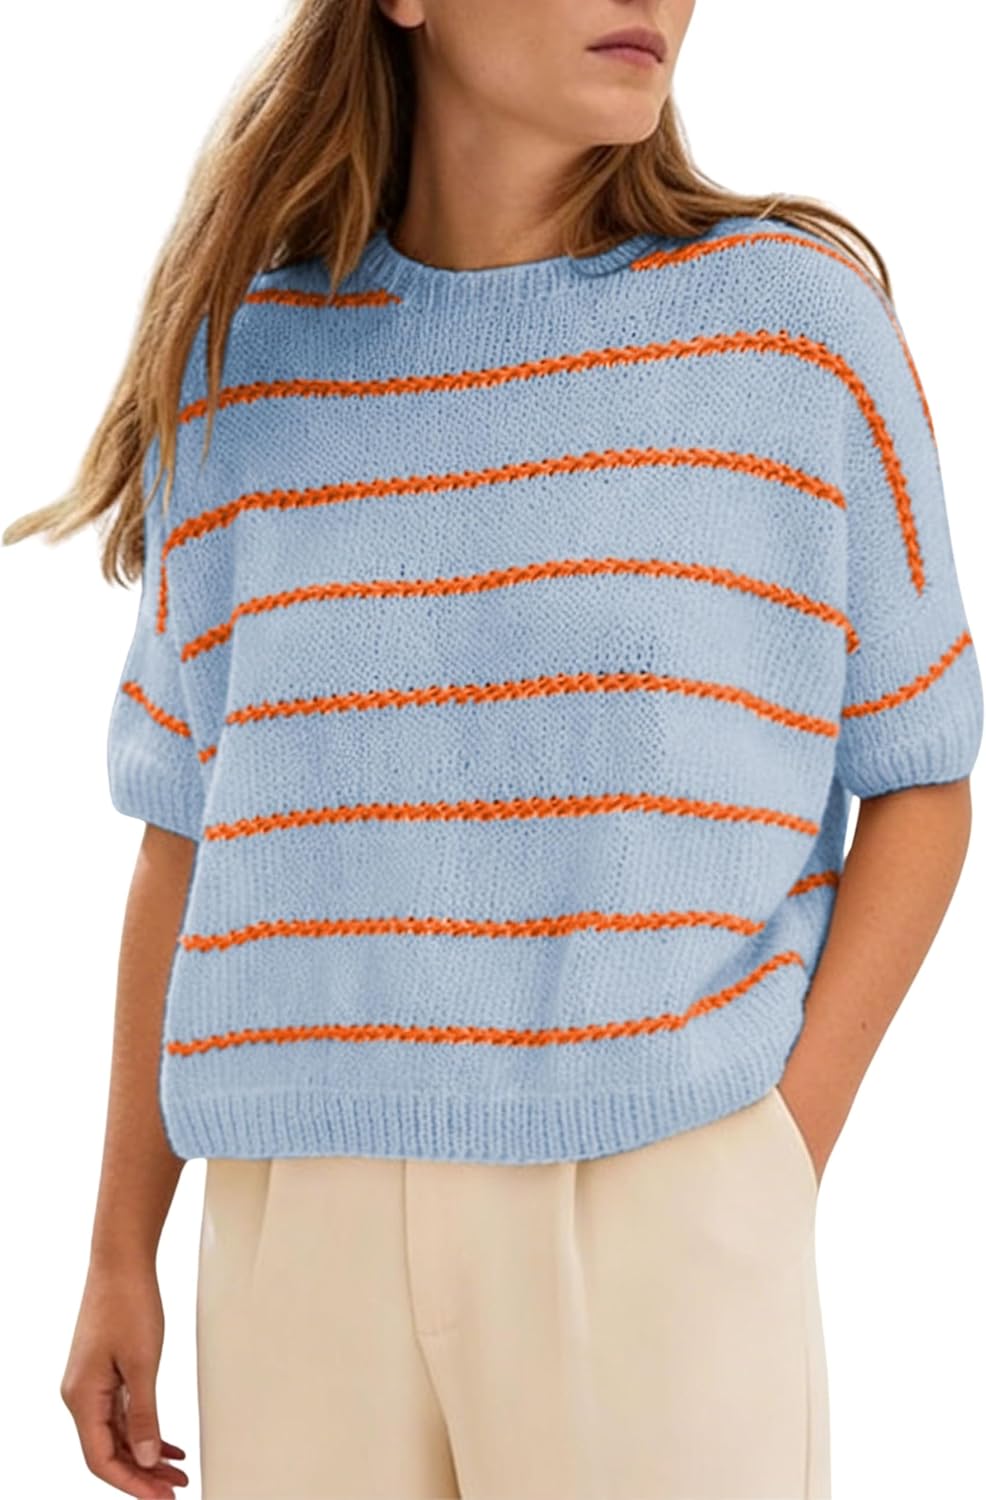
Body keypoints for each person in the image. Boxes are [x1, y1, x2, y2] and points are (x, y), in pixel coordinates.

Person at [5, 1, 982, 1497]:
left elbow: (922, 766)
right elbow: (188, 830)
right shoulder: (242, 366)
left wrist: (775, 1149)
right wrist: (118, 1246)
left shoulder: (792, 328)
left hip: (652, 1204)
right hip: (295, 1226)